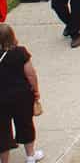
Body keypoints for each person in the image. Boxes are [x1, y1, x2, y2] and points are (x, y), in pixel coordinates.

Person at [0, 22, 42, 163]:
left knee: (2, 130)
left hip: (1, 99)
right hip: (22, 96)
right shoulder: (21, 53)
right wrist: (35, 91)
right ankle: (30, 155)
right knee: (25, 123)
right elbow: (31, 74)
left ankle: (4, 160)